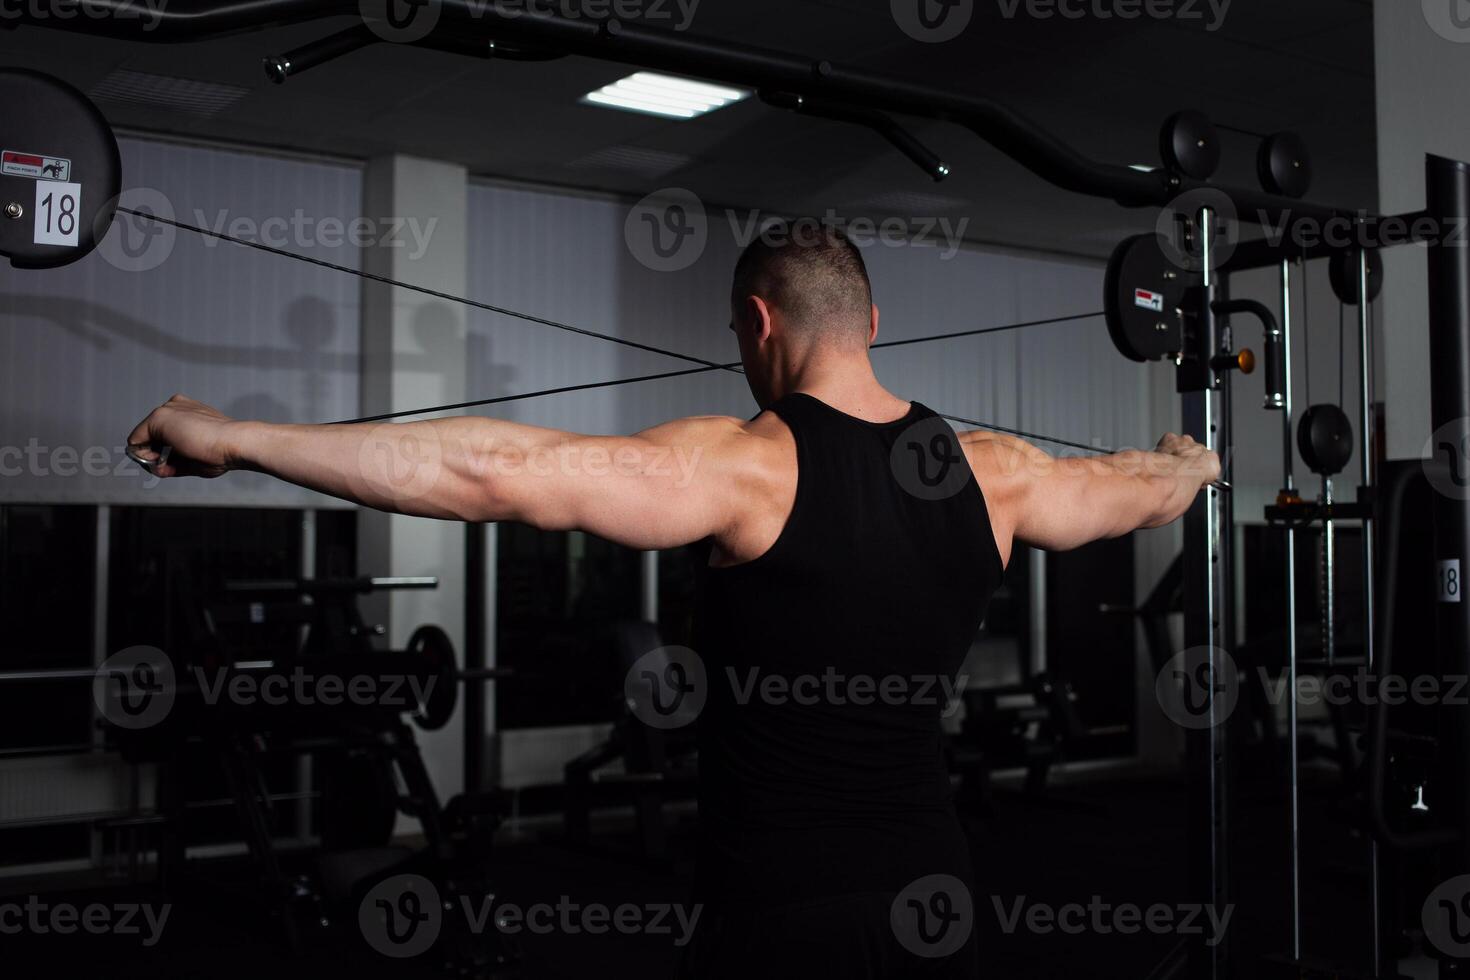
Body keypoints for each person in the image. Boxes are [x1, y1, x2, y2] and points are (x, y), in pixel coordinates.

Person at [127, 222, 1219, 977]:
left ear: (757, 323)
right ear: (873, 320)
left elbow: (488, 471)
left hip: (781, 907)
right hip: (933, 889)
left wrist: (236, 438)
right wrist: (1194, 457)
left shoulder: (745, 466)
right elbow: (1141, 491)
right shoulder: (1000, 472)